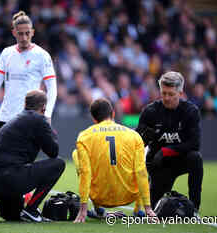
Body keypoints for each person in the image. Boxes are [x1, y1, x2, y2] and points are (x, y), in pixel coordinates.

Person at [0, 11, 57, 147]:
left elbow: (52, 88)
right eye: (20, 33)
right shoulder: (7, 53)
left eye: (27, 33)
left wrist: (47, 114)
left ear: (33, 32)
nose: (24, 37)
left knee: (21, 159)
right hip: (6, 115)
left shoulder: (42, 55)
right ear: (14, 33)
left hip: (29, 117)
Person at [0, 90, 65, 223]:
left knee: (15, 216)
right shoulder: (38, 119)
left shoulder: (15, 119)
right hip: (10, 179)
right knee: (58, 164)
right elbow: (53, 151)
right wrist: (49, 126)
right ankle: (31, 209)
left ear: (25, 104)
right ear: (43, 107)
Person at [72, 98, 157, 223]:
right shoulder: (134, 135)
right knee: (141, 160)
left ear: (94, 119)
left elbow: (86, 173)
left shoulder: (84, 136)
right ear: (113, 114)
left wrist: (83, 209)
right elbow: (141, 172)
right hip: (129, 196)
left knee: (76, 154)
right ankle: (138, 210)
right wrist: (148, 208)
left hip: (99, 196)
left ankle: (98, 209)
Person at [136, 71, 203, 214]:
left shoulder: (191, 111)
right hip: (158, 164)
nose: (166, 98)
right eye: (163, 93)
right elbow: (136, 142)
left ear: (180, 93)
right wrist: (143, 139)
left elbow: (194, 144)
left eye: (171, 94)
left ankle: (194, 208)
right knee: (156, 210)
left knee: (195, 158)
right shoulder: (150, 111)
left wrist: (166, 151)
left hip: (180, 160)